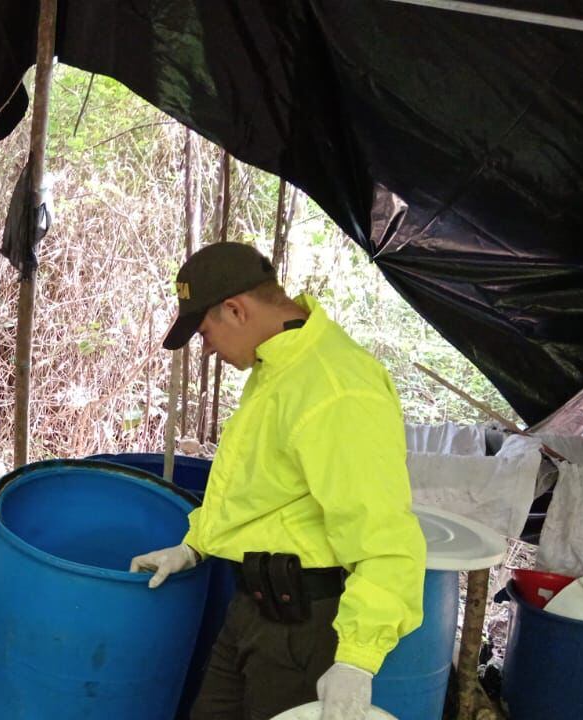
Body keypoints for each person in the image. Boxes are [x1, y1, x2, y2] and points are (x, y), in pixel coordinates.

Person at [129, 242, 425, 720]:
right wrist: (194, 545)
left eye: (205, 332)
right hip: (252, 609)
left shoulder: (335, 387)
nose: (207, 349)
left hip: (306, 626)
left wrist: (358, 658)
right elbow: (258, 488)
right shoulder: (276, 366)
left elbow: (384, 534)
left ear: (235, 309)